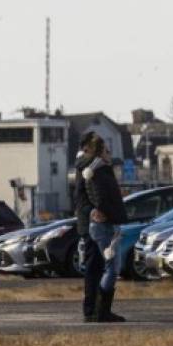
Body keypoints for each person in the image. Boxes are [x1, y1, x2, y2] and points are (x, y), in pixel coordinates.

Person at [82, 134, 129, 323]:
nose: (110, 154)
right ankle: (102, 311)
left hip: (104, 225)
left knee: (109, 267)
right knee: (112, 267)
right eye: (107, 151)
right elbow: (100, 197)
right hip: (104, 226)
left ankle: (101, 310)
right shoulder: (99, 172)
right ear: (101, 152)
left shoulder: (100, 171)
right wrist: (103, 212)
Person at [75, 131, 99, 323]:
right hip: (92, 224)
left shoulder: (88, 165)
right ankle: (91, 309)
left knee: (96, 267)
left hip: (90, 223)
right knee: (94, 267)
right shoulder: (88, 167)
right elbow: (85, 198)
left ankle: (95, 308)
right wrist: (93, 211)